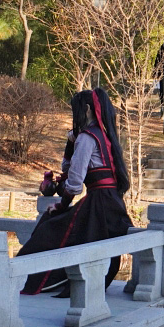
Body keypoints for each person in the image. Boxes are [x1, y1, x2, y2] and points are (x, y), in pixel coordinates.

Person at [20, 88, 133, 295]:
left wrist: (62, 205)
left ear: (87, 109)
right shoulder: (103, 135)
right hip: (112, 202)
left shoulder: (87, 138)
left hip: (98, 204)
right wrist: (70, 142)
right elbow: (69, 168)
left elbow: (74, 182)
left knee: (49, 227)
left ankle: (28, 278)